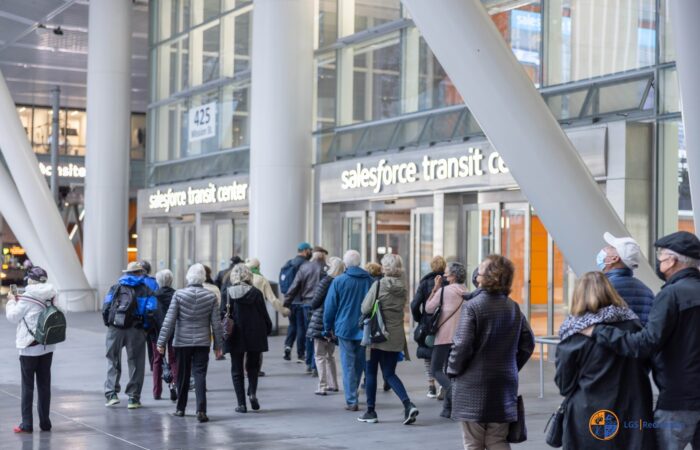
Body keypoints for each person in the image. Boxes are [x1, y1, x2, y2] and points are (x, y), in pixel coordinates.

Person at [584, 231, 700, 449]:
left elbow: (645, 343)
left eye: (662, 257)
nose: (660, 262)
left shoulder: (671, 295)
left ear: (673, 261)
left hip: (678, 399)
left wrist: (599, 332)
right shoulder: (655, 292)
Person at [555, 272, 654, 449]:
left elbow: (564, 384)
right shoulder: (634, 324)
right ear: (611, 291)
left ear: (578, 295)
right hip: (633, 410)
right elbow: (645, 363)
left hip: (590, 414)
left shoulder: (575, 331)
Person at [447, 255, 534, 450]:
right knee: (498, 440)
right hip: (504, 384)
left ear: (489, 276)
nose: (477, 270)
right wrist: (510, 365)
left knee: (473, 442)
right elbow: (528, 343)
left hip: (473, 385)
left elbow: (461, 345)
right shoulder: (513, 307)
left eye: (482, 268)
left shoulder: (472, 306)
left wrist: (452, 370)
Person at [358, 254, 419, 425]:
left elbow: (365, 307)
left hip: (377, 335)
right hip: (395, 335)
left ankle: (371, 412)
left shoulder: (378, 285)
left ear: (385, 268)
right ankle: (408, 404)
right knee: (389, 374)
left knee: (370, 372)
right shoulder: (403, 288)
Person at [157, 264, 223, 422]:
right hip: (202, 342)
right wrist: (218, 346)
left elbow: (169, 320)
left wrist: (161, 342)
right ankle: (201, 410)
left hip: (182, 342)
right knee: (200, 374)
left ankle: (180, 408)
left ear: (188, 277)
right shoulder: (210, 296)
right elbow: (216, 323)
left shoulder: (179, 295)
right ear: (203, 278)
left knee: (182, 375)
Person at [5, 267, 57, 433]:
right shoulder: (53, 294)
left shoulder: (27, 297)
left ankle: (27, 424)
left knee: (27, 386)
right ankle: (45, 423)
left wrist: (12, 301)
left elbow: (13, 316)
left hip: (29, 347)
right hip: (47, 346)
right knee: (44, 386)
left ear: (30, 280)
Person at [102, 261, 158, 409]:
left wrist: (110, 324)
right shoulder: (146, 289)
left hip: (115, 328)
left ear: (127, 273)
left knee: (113, 360)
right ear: (140, 273)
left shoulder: (115, 287)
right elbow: (151, 310)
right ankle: (133, 398)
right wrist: (145, 327)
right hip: (136, 328)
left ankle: (111, 394)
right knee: (136, 363)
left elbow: (106, 307)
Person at [323, 250, 373, 411]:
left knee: (347, 364)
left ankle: (351, 399)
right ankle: (354, 393)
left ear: (345, 264)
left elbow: (330, 307)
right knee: (359, 363)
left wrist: (327, 327)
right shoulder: (370, 281)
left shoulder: (339, 281)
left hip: (344, 328)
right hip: (364, 327)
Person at [223, 264, 272, 413]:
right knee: (253, 367)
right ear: (248, 276)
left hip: (235, 334)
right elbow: (264, 314)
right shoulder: (256, 293)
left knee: (236, 369)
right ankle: (252, 393)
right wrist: (268, 329)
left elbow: (222, 314)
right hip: (255, 333)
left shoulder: (228, 293)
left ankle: (241, 404)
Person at [425, 261, 468, 418]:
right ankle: (447, 409)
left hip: (444, 337)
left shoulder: (445, 291)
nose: (444, 275)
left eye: (447, 273)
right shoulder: (466, 291)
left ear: (453, 276)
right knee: (451, 372)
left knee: (435, 370)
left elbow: (428, 308)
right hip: (461, 337)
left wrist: (435, 290)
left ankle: (454, 392)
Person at [284, 246, 327, 373]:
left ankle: (309, 362)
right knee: (321, 335)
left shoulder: (305, 267)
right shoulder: (328, 268)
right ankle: (316, 364)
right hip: (323, 305)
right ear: (323, 256)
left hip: (307, 304)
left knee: (310, 333)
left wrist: (286, 303)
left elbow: (294, 286)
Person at [246, 257, 291, 376]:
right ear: (257, 267)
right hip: (258, 315)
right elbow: (272, 299)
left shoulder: (240, 277)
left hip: (242, 315)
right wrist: (283, 311)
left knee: (244, 344)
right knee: (257, 344)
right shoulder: (261, 279)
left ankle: (244, 369)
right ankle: (256, 369)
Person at [596, 232, 655, 325]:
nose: (604, 249)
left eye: (610, 247)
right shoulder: (647, 291)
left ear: (615, 259)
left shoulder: (602, 288)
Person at [307, 257, 344, 395]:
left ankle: (322, 386)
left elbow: (315, 302)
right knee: (330, 355)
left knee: (319, 355)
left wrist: (311, 306)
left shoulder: (326, 281)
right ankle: (333, 383)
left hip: (320, 321)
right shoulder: (342, 281)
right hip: (336, 322)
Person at [411, 256, 446, 399]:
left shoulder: (425, 283)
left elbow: (414, 304)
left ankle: (431, 386)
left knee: (427, 354)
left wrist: (419, 318)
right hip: (445, 321)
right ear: (444, 267)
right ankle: (443, 385)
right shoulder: (449, 282)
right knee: (444, 353)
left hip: (428, 322)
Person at [152, 269, 178, 401]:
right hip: (174, 331)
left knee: (157, 361)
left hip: (156, 332)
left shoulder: (153, 296)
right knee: (174, 360)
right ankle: (174, 384)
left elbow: (150, 315)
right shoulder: (176, 295)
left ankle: (157, 392)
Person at [141, 260, 159, 372]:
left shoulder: (135, 282)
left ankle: (138, 366)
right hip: (151, 317)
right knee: (151, 342)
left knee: (137, 344)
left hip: (137, 318)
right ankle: (153, 365)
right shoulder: (154, 282)